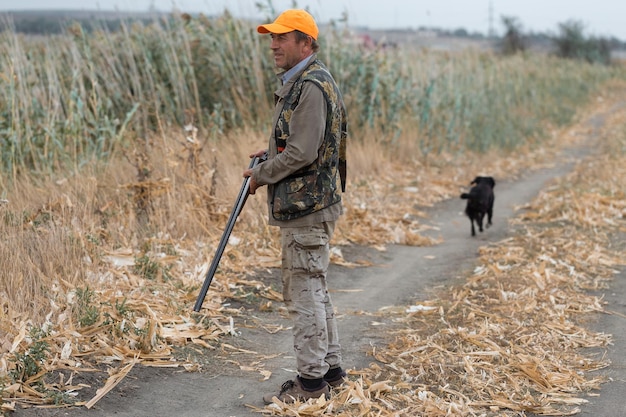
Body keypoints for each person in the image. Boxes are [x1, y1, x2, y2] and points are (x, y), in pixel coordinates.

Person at [243, 8, 348, 405]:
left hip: (306, 209)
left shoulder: (311, 86)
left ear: (306, 43)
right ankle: (331, 374)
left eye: (282, 38)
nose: (273, 45)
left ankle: (309, 387)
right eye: (272, 38)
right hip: (311, 206)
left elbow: (303, 152)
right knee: (316, 291)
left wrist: (261, 174)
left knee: (303, 295)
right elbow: (304, 142)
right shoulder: (307, 80)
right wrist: (269, 151)